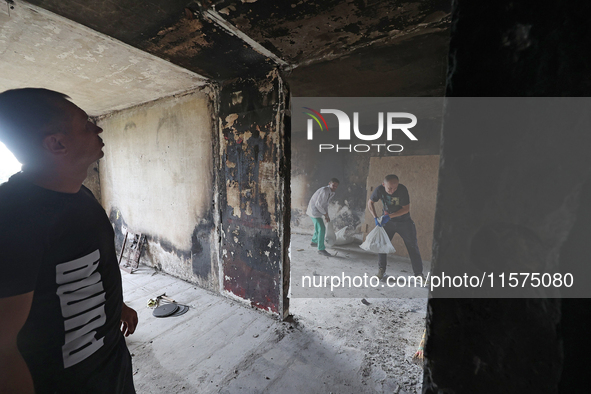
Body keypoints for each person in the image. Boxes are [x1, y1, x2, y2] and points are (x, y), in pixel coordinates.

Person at [0, 88, 138, 394]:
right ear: (57, 143)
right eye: (86, 124)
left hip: (112, 367)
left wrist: (117, 305)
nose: (97, 128)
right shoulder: (13, 217)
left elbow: (90, 266)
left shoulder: (80, 195)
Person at [367, 174, 425, 280]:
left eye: (395, 188)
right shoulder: (379, 190)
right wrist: (375, 217)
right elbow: (370, 203)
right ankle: (381, 270)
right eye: (389, 188)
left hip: (404, 222)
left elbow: (405, 209)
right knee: (382, 244)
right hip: (387, 222)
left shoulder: (402, 190)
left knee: (412, 246)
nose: (392, 191)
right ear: (383, 184)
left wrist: (389, 216)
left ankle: (419, 274)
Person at [306, 178, 339, 257]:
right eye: (333, 185)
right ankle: (320, 249)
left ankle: (314, 241)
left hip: (317, 211)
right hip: (314, 211)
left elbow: (325, 204)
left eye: (336, 186)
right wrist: (325, 214)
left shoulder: (331, 192)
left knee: (318, 227)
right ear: (329, 184)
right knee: (322, 228)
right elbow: (318, 205)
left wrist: (326, 215)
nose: (334, 187)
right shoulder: (324, 191)